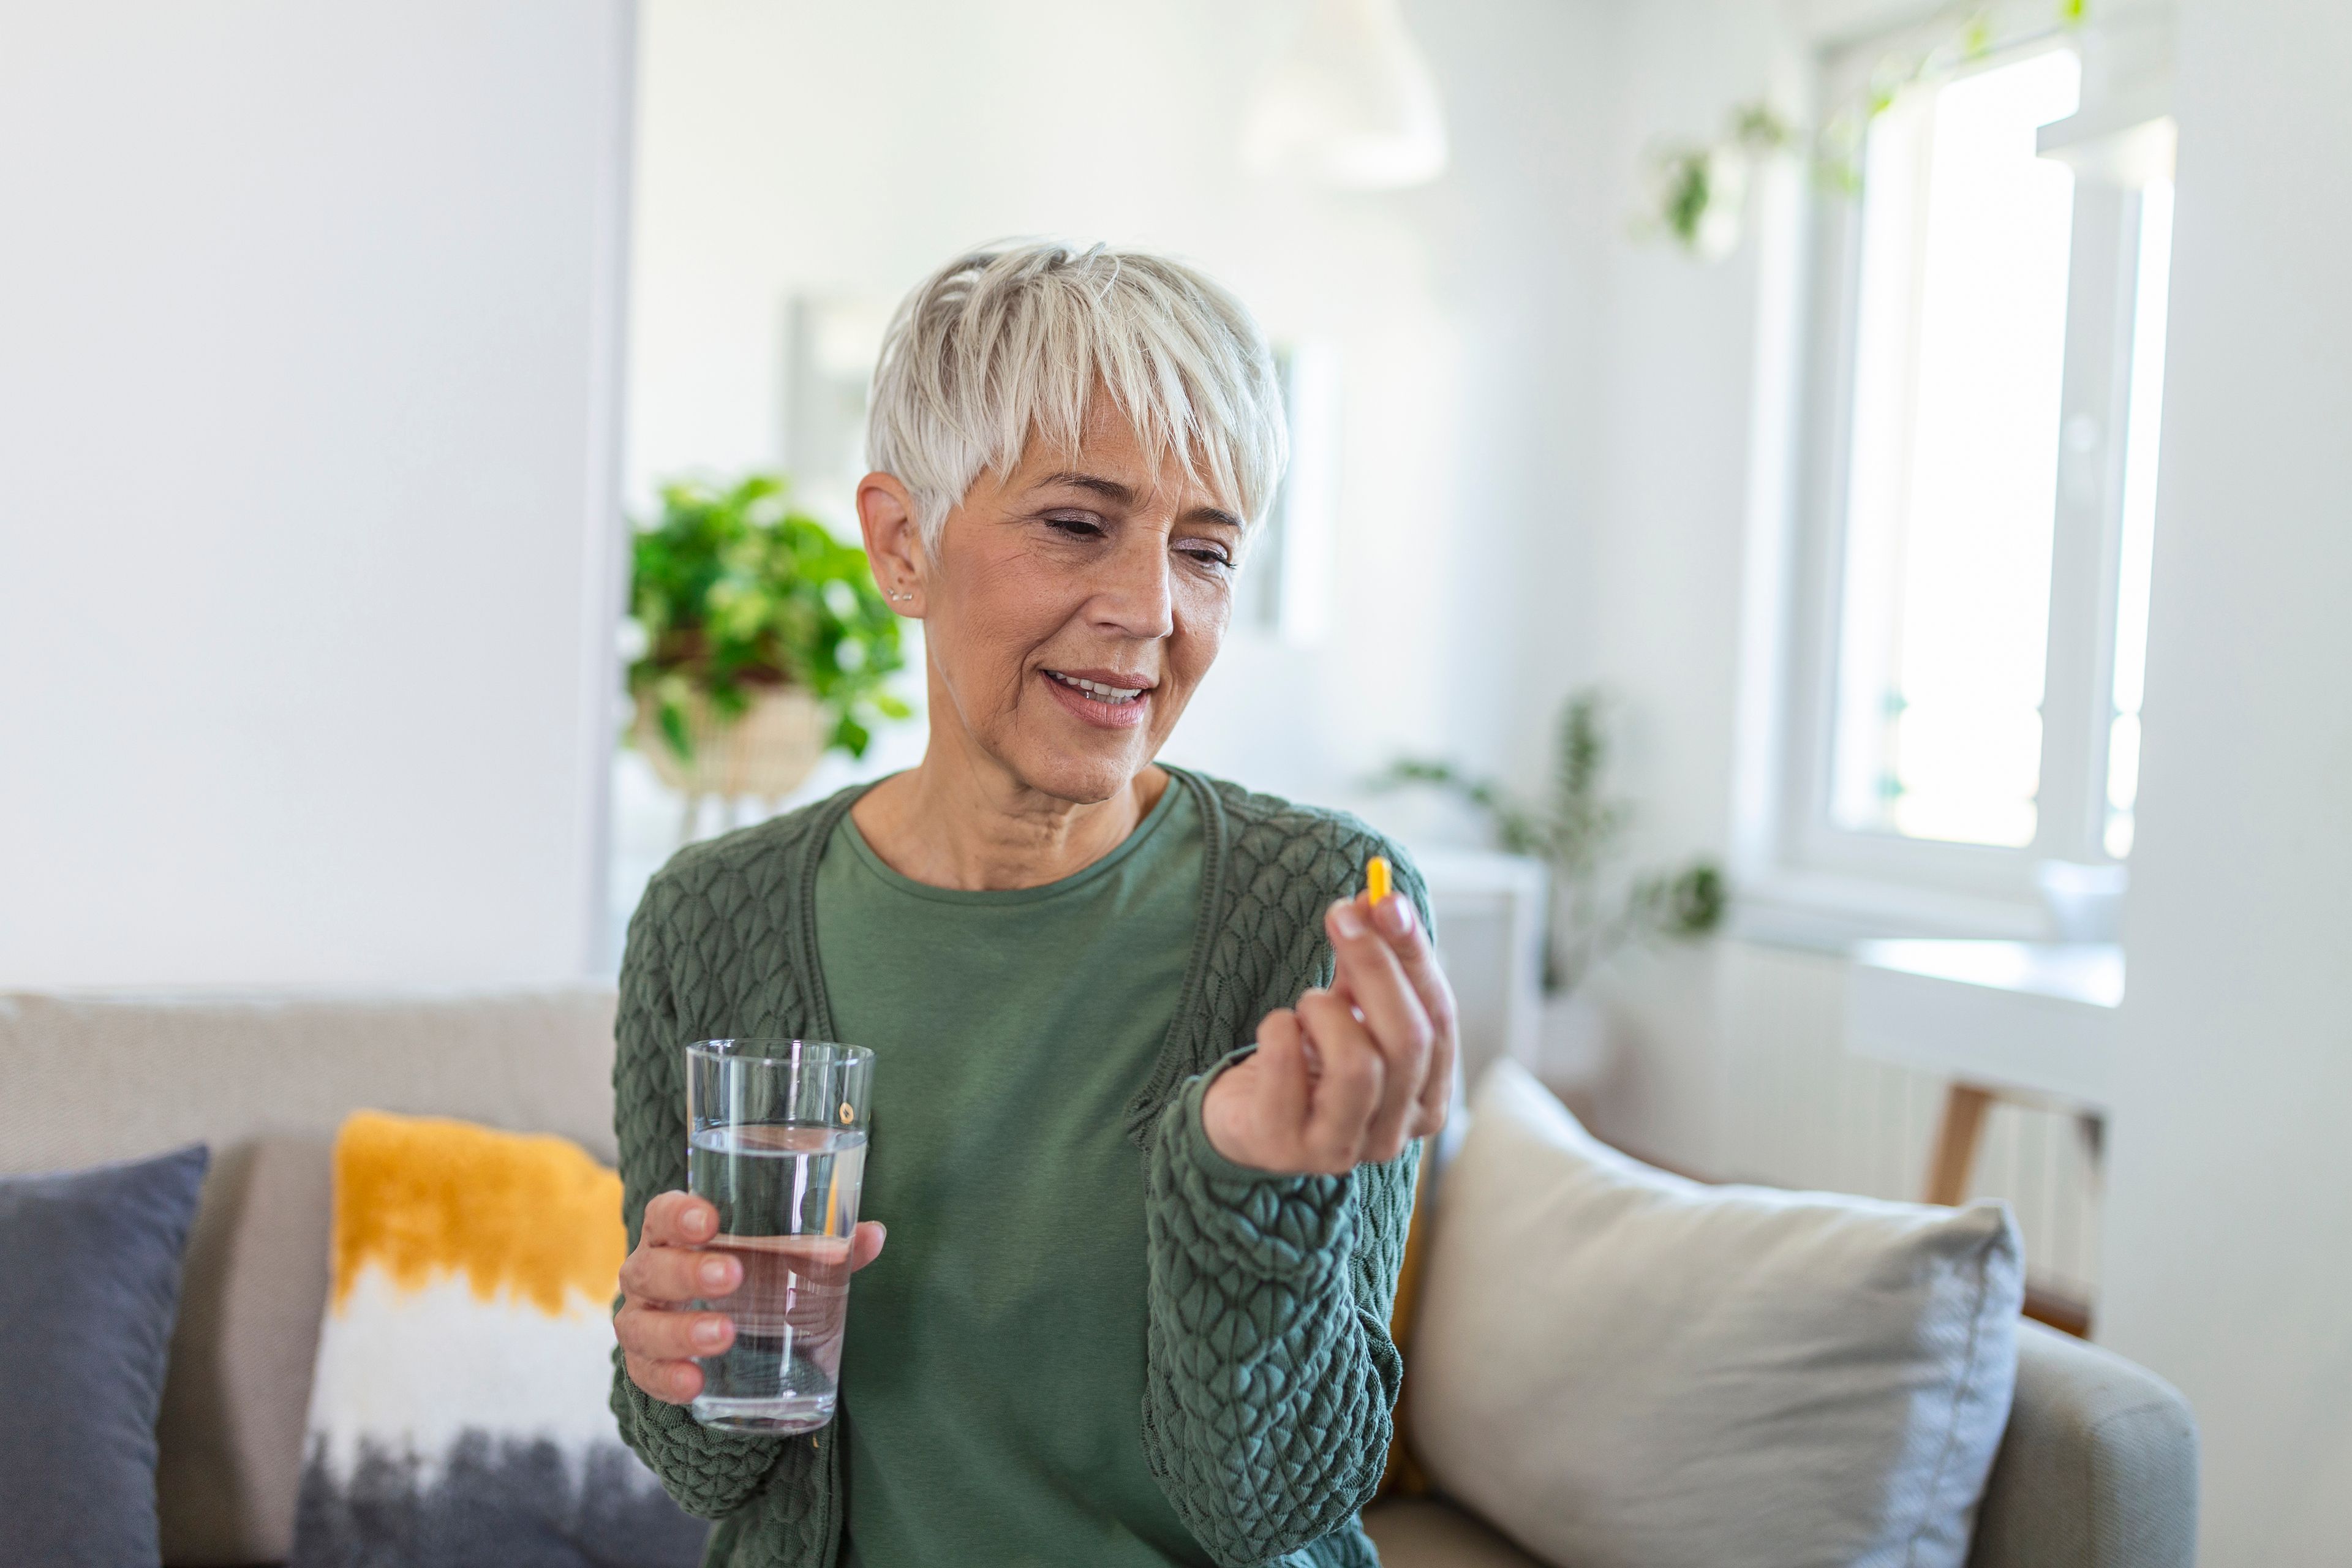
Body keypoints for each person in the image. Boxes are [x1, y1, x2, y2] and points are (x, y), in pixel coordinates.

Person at [609, 240, 1458, 1568]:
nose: (1149, 608)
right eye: (1078, 522)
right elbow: (711, 1456)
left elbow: (1276, 1505)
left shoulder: (1322, 910)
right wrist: (669, 1345)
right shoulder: (714, 916)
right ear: (903, 543)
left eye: (1208, 550)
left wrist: (1239, 1176)